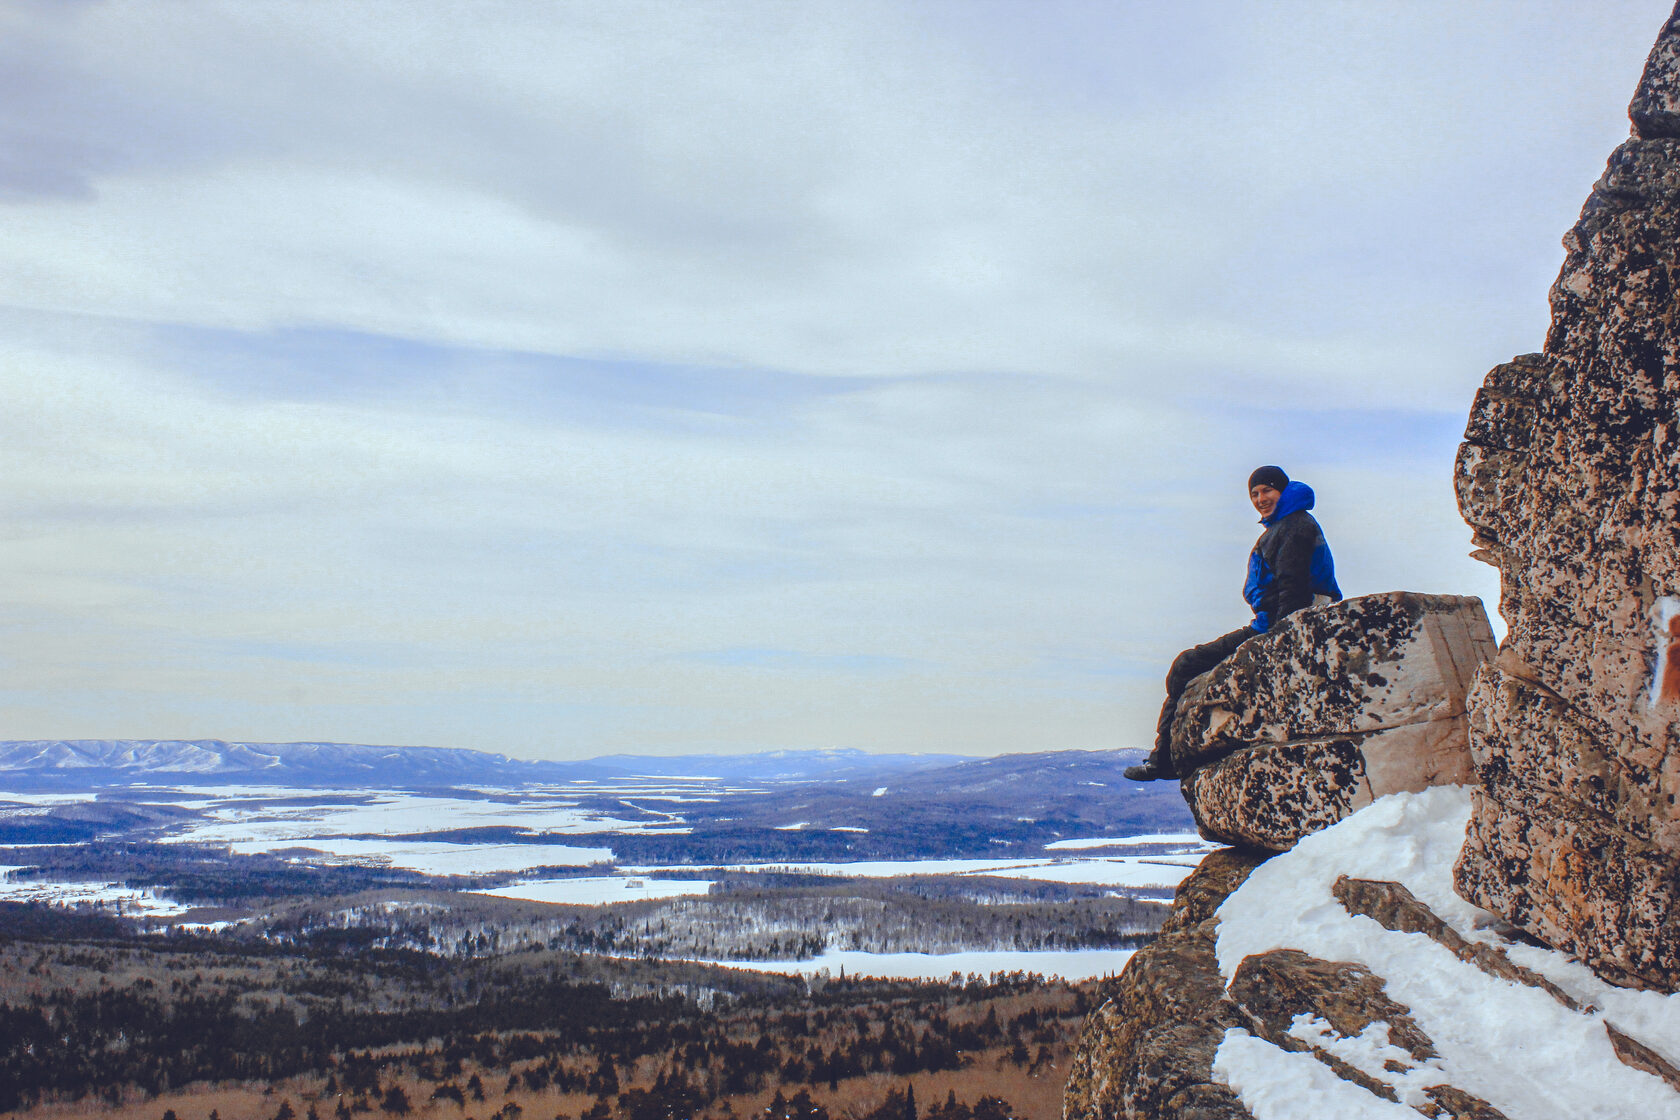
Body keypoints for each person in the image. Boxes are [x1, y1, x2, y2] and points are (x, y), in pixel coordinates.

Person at [1123, 465, 1341, 782]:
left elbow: (1292, 586)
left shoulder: (1294, 526)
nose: (1260, 498)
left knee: (1187, 664)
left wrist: (1278, 640)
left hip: (1279, 624)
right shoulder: (1284, 527)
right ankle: (1164, 758)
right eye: (1254, 493)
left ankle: (1164, 761)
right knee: (1187, 664)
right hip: (1270, 622)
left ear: (1282, 491)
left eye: (1267, 490)